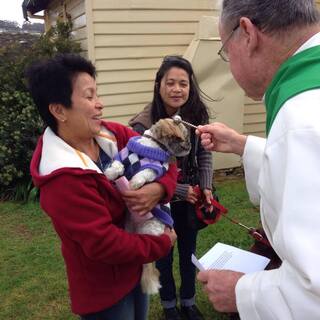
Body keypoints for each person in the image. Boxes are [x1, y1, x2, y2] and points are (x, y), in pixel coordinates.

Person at [27, 53, 178, 320]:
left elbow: (164, 156)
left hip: (135, 268)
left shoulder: (111, 134)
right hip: (103, 289)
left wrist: (159, 189)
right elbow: (104, 244)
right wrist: (161, 243)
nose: (100, 104)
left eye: (97, 94)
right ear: (58, 110)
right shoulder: (62, 179)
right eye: (89, 96)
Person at [196, 1, 320, 319]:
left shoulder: (300, 119)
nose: (230, 65)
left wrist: (243, 293)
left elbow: (314, 293)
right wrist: (242, 145)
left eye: (226, 51)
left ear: (248, 33)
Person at [129, 55, 214, 320]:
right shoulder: (143, 124)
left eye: (184, 84)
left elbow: (204, 155)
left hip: (191, 199)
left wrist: (206, 185)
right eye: (171, 83)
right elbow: (140, 171)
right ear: (159, 85)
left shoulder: (196, 116)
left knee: (189, 253)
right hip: (159, 203)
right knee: (163, 256)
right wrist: (178, 190)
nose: (177, 89)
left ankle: (188, 302)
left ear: (190, 87)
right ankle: (169, 307)